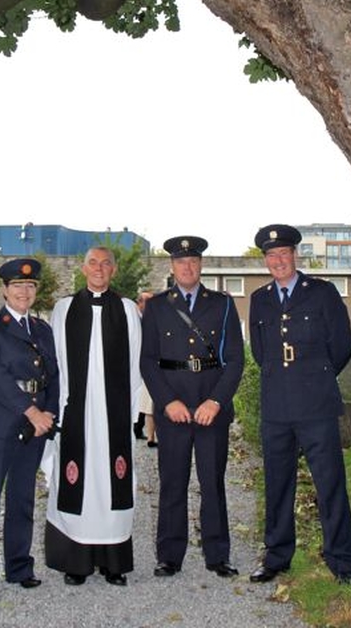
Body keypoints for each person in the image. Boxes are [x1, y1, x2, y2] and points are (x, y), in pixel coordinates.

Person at [249, 224, 351, 585]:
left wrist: (316, 377)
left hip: (316, 406)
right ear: (265, 260)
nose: (278, 261)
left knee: (330, 484)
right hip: (277, 407)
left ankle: (342, 560)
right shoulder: (260, 298)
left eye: (284, 254)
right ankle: (277, 557)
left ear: (296, 255)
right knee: (278, 485)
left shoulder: (323, 293)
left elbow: (342, 345)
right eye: (271, 255)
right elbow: (261, 352)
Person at [140, 236, 245, 579]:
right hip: (174, 408)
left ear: (201, 265)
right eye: (181, 262)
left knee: (212, 482)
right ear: (172, 266)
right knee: (173, 482)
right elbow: (148, 361)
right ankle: (169, 555)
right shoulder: (157, 306)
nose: (188, 267)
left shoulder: (223, 304)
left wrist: (216, 401)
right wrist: (167, 402)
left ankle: (218, 555)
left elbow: (234, 360)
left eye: (194, 261)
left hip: (210, 406)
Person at [41, 246, 142, 587]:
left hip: (114, 416)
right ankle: (76, 562)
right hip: (76, 413)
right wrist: (60, 411)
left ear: (113, 270)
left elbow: (135, 367)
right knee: (77, 485)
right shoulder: (64, 309)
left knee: (113, 483)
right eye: (93, 263)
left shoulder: (128, 310)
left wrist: (128, 417)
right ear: (83, 269)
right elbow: (54, 364)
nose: (99, 269)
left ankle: (114, 564)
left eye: (106, 264)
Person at [0, 258, 59, 598]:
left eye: (31, 286)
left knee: (23, 496)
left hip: (35, 425)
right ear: (5, 289)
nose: (24, 291)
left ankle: (19, 567)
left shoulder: (43, 330)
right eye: (18, 286)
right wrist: (32, 412)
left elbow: (54, 375)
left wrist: (48, 414)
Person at [136, 292, 157, 448]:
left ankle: (148, 434)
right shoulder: (135, 319)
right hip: (140, 369)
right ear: (140, 303)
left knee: (149, 404)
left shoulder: (155, 318)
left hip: (154, 367)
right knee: (147, 404)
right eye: (148, 301)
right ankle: (147, 434)